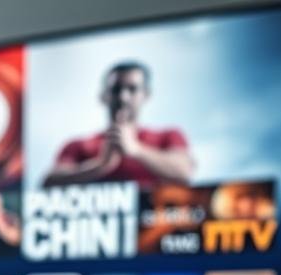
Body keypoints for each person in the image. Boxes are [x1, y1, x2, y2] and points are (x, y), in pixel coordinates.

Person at [43, 61, 194, 187]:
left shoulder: (168, 136)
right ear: (103, 96)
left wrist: (136, 150)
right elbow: (49, 182)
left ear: (146, 95)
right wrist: (100, 165)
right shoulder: (76, 145)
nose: (123, 97)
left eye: (132, 89)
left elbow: (185, 172)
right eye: (116, 89)